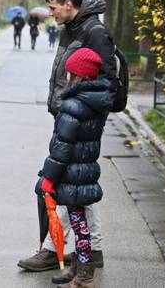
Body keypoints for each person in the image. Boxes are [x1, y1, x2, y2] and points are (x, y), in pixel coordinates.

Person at [17, 0, 117, 283]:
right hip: (69, 114)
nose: (50, 13)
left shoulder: (94, 32)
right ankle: (90, 251)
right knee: (80, 191)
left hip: (80, 120)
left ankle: (52, 248)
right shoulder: (73, 28)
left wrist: (80, 113)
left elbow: (106, 82)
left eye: (52, 7)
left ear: (68, 4)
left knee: (63, 186)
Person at [38, 47, 111, 288]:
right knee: (79, 220)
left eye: (69, 72)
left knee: (79, 223)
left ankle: (84, 275)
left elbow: (62, 148)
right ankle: (79, 267)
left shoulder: (72, 105)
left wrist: (49, 178)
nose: (66, 77)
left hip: (72, 172)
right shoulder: (96, 103)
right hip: (85, 168)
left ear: (76, 76)